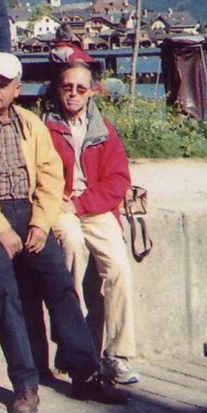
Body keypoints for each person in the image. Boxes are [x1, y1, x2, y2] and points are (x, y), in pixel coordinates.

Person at [0, 52, 127, 413]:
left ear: (18, 89)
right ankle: (25, 385)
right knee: (3, 288)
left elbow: (50, 175)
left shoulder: (30, 123)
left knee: (60, 282)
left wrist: (40, 223)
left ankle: (86, 375)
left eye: (3, 84)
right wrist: (1, 229)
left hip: (29, 211)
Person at [44, 60, 140, 385]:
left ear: (91, 92)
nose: (73, 93)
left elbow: (118, 181)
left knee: (119, 269)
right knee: (72, 248)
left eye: (80, 88)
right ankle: (73, 345)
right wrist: (59, 202)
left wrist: (82, 203)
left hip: (95, 208)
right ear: (58, 89)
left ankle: (118, 355)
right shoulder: (45, 126)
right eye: (67, 87)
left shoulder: (104, 130)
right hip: (59, 206)